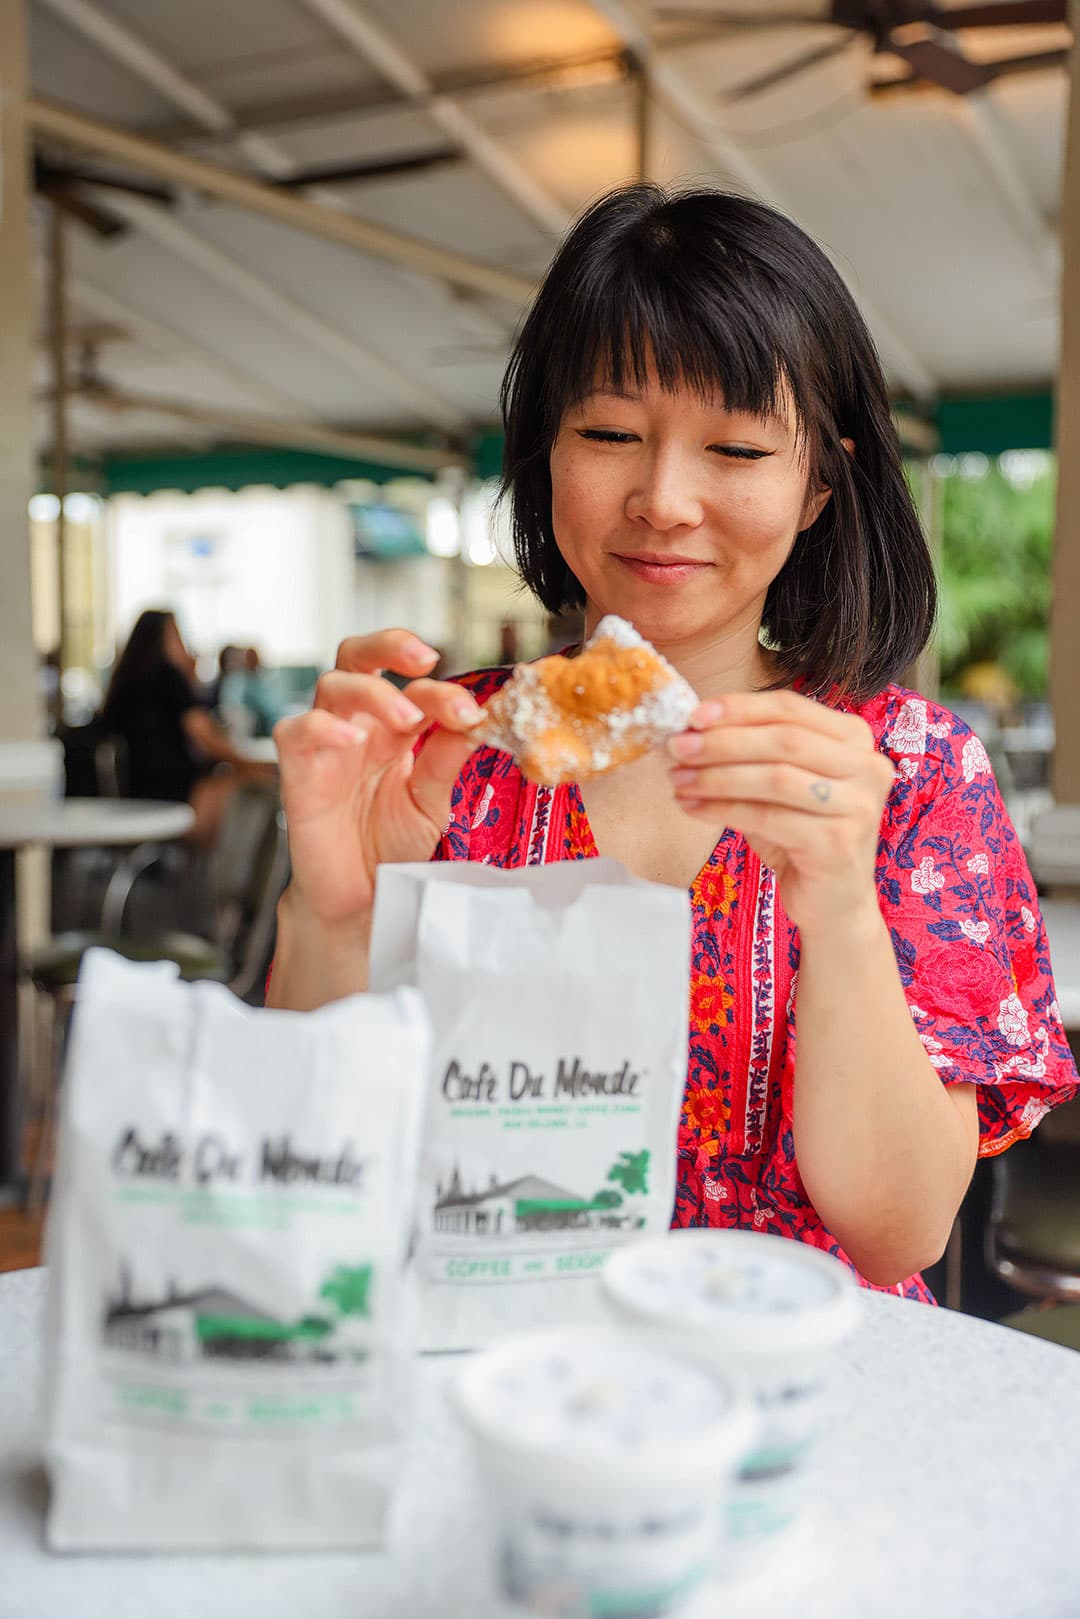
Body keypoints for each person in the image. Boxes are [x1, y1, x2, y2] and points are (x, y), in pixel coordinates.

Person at [267, 184, 1078, 1301]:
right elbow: (304, 1151)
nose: (664, 498)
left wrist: (839, 906)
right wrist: (335, 911)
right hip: (475, 1370)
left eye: (737, 448)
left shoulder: (912, 771)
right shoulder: (438, 752)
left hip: (804, 1393)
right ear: (546, 448)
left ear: (817, 487)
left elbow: (898, 1234)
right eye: (609, 433)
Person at [101, 608, 273, 849]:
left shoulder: (124, 683)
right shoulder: (166, 676)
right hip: (173, 798)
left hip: (133, 798)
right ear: (165, 639)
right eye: (179, 635)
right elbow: (205, 736)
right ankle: (244, 884)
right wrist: (251, 765)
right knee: (263, 788)